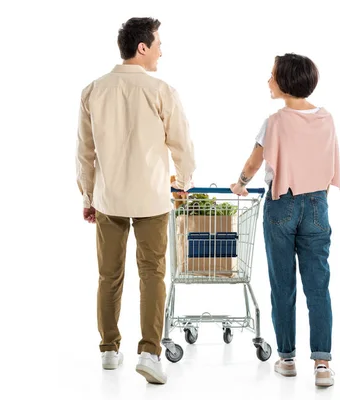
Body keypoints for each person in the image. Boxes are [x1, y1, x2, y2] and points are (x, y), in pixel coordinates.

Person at [76, 17, 195, 385]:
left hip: (109, 198)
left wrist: (88, 194)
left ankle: (109, 350)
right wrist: (184, 183)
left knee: (109, 276)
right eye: (158, 43)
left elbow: (85, 152)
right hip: (153, 199)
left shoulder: (93, 90)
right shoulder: (162, 91)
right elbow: (182, 145)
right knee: (153, 274)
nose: (161, 50)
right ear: (141, 48)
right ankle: (149, 352)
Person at [230, 53, 340, 387]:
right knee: (318, 285)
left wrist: (240, 183)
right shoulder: (327, 119)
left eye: (272, 75)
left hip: (282, 204)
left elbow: (253, 162)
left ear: (285, 82)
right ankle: (322, 364)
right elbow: (329, 163)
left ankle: (287, 358)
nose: (268, 80)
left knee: (283, 284)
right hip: (317, 204)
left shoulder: (275, 121)